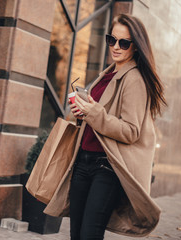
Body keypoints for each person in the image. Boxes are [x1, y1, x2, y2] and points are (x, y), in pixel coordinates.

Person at [43, 13, 167, 239]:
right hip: (83, 161)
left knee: (90, 234)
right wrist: (83, 113)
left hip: (107, 167)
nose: (116, 47)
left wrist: (94, 112)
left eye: (124, 43)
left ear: (136, 47)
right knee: (76, 233)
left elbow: (130, 131)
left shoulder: (135, 79)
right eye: (112, 40)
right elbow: (98, 118)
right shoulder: (109, 73)